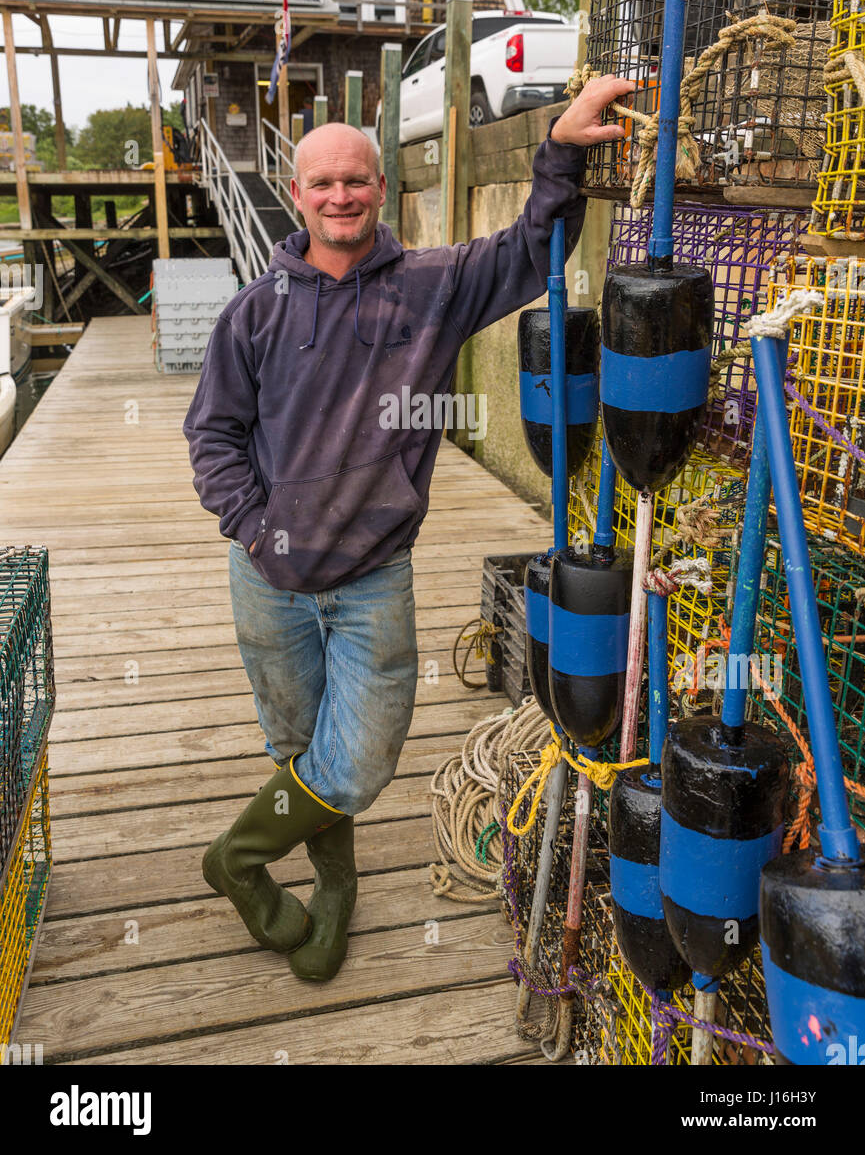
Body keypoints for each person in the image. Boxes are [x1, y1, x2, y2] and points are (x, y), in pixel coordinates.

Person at [182, 75, 634, 982]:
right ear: (298, 194)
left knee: (360, 755)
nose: (340, 196)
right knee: (297, 745)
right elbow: (212, 435)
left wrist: (561, 147)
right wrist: (257, 528)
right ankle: (336, 891)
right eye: (322, 184)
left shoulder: (433, 286)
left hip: (375, 575)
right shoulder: (255, 311)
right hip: (267, 577)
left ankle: (231, 858)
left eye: (356, 181)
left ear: (381, 190)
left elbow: (531, 243)